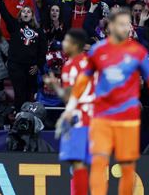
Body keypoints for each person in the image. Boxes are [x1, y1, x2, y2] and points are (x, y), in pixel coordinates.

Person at [60, 9, 149, 195]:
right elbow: (84, 80)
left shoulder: (137, 52)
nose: (124, 28)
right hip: (102, 117)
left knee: (127, 166)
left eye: (127, 24)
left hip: (127, 118)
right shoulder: (98, 50)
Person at [48, 29, 93, 195]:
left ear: (75, 45)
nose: (63, 44)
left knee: (77, 165)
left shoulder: (70, 66)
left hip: (79, 121)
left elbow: (69, 98)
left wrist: (55, 87)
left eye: (66, 41)